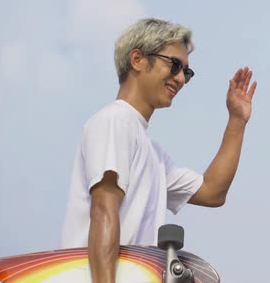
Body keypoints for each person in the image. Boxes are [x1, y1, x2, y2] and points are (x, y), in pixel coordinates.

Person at [61, 18, 257, 283]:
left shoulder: (153, 154)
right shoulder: (114, 121)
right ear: (138, 59)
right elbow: (103, 211)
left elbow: (213, 192)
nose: (180, 79)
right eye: (174, 65)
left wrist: (236, 120)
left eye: (186, 72)